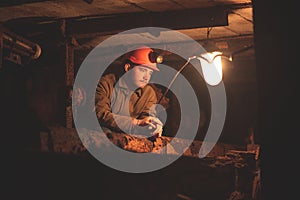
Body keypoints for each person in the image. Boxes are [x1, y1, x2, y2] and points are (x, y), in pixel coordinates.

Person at [95, 46, 163, 138]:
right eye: (142, 70)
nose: (146, 77)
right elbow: (101, 114)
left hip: (129, 137)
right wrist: (136, 123)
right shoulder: (106, 84)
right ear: (128, 68)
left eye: (150, 73)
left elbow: (146, 115)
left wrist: (151, 125)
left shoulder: (148, 93)